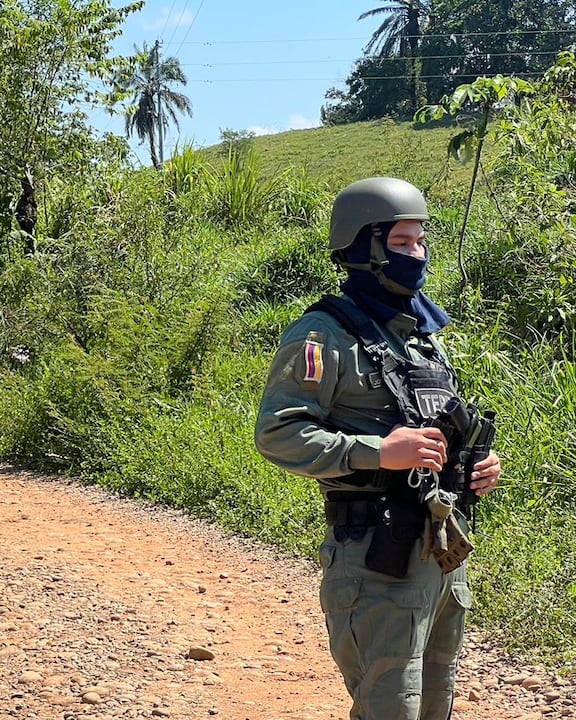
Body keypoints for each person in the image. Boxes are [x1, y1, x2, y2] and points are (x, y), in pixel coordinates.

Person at [254, 177, 502, 720]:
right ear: (363, 248)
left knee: (436, 706)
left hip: (441, 555)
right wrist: (377, 452)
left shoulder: (421, 334)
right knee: (390, 709)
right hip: (375, 559)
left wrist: (475, 467)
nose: (418, 254)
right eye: (401, 243)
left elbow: (435, 429)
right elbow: (277, 433)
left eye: (420, 241)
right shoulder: (322, 335)